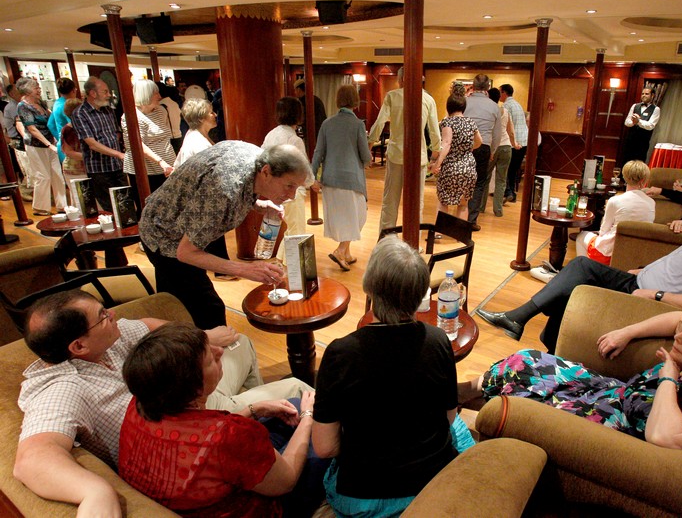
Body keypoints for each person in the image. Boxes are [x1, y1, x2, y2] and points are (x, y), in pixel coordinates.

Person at [14, 289, 313, 517]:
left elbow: (145, 325)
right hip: (196, 424)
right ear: (78, 345)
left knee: (241, 343)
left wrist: (201, 342)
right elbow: (32, 458)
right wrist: (95, 491)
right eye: (103, 315)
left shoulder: (110, 347)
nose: (113, 315)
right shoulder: (61, 388)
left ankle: (257, 420)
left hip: (194, 411)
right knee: (298, 392)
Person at [477, 179, 682, 351]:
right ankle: (535, 333)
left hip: (649, 299)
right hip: (642, 282)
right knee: (577, 275)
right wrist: (646, 272)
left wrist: (656, 294)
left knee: (579, 273)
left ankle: (523, 322)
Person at [461, 298, 682, 450]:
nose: (679, 336)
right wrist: (628, 332)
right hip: (608, 392)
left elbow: (666, 437)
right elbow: (679, 318)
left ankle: (454, 397)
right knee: (526, 360)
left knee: (522, 400)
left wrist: (669, 377)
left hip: (607, 425)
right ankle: (459, 393)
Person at [312, 238, 475, 516]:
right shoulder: (438, 341)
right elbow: (449, 418)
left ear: (369, 286)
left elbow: (325, 447)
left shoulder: (340, 353)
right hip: (431, 485)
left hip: (363, 496)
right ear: (421, 293)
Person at [119, 323, 324, 517]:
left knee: (293, 407)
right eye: (210, 360)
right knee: (322, 434)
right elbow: (286, 481)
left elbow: (207, 451)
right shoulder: (228, 435)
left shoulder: (139, 405)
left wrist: (254, 409)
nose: (220, 352)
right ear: (195, 388)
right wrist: (309, 415)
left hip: (201, 494)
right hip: (262, 509)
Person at [139, 142, 313, 328]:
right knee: (206, 311)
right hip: (163, 236)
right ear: (266, 172)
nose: (292, 195)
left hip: (173, 226)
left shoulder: (257, 158)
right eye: (289, 186)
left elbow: (233, 189)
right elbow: (186, 252)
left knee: (176, 305)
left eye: (296, 187)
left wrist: (259, 205)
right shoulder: (224, 189)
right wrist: (245, 269)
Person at [368, 67, 441, 230]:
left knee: (390, 201)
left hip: (396, 155)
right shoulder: (428, 99)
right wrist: (436, 153)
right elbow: (435, 131)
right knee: (416, 203)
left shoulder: (392, 96)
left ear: (400, 80)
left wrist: (370, 144)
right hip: (418, 157)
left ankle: (386, 237)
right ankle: (413, 239)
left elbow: (380, 123)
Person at [174, 98, 236, 281]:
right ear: (201, 117)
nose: (214, 115)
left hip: (199, 194)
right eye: (210, 112)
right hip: (199, 195)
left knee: (212, 231)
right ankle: (221, 269)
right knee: (211, 230)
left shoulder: (195, 136)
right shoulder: (197, 142)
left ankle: (221, 268)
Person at [311, 84, 372, 271]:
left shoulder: (327, 124)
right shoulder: (358, 124)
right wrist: (368, 159)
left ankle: (346, 253)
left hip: (329, 180)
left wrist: (312, 177)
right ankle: (340, 250)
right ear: (355, 101)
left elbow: (318, 152)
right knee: (358, 217)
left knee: (345, 217)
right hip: (351, 180)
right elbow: (366, 156)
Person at [574, 160, 656, 265]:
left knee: (581, 236)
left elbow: (603, 230)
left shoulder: (615, 201)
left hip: (610, 253)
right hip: (637, 254)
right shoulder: (651, 203)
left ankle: (584, 270)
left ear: (625, 177)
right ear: (644, 180)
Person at [261, 96, 310, 261]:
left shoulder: (271, 134)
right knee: (297, 231)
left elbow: (262, 158)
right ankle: (294, 269)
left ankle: (282, 262)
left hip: (273, 190)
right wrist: (313, 183)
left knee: (291, 229)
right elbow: (303, 169)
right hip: (291, 191)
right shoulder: (294, 139)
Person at [71, 76, 128, 211]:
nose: (109, 95)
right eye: (105, 92)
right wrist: (118, 154)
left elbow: (116, 132)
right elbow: (91, 143)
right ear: (93, 93)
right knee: (109, 207)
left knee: (125, 203)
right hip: (99, 168)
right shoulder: (80, 113)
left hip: (117, 165)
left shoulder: (108, 110)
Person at [121, 79, 176, 214]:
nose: (159, 96)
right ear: (146, 95)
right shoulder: (131, 116)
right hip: (146, 170)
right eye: (155, 93)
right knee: (150, 208)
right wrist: (160, 162)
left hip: (166, 167)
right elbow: (138, 145)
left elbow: (165, 136)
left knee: (169, 206)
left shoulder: (161, 110)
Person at [15, 77, 67, 216]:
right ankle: (40, 207)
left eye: (38, 87)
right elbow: (32, 129)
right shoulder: (23, 106)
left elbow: (51, 118)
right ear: (27, 90)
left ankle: (62, 206)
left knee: (57, 174)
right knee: (42, 176)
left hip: (51, 143)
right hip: (35, 145)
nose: (39, 90)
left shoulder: (40, 103)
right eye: (36, 88)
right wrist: (49, 144)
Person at [429, 86, 481, 221]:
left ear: (448, 107)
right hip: (468, 168)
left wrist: (436, 164)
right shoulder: (470, 122)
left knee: (443, 201)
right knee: (463, 204)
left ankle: (441, 231)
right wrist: (468, 149)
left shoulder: (447, 122)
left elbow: (446, 143)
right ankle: (459, 232)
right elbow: (479, 141)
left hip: (450, 168)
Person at [464, 74, 502, 231]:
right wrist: (492, 150)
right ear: (487, 87)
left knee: (462, 181)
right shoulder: (494, 106)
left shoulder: (464, 102)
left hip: (464, 146)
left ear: (473, 86)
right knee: (479, 183)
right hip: (484, 147)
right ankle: (471, 220)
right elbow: (497, 134)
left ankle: (458, 216)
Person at [483, 87, 516, 217]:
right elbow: (511, 131)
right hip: (506, 147)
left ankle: (481, 207)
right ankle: (498, 210)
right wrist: (514, 144)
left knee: (486, 177)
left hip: (493, 147)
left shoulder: (488, 111)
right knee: (501, 180)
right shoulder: (505, 111)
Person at [499, 83, 531, 204]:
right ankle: (512, 193)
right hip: (524, 141)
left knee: (506, 168)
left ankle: (508, 192)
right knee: (513, 169)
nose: (499, 95)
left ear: (504, 93)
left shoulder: (506, 106)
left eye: (500, 92)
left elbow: (508, 128)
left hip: (514, 142)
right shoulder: (517, 104)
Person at [620, 86, 660, 164]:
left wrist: (638, 121)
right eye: (642, 94)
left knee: (639, 162)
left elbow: (651, 126)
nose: (644, 95)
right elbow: (627, 122)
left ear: (652, 95)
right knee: (627, 161)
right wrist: (633, 122)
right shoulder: (635, 106)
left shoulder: (656, 109)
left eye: (646, 94)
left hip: (643, 141)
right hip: (630, 139)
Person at [59, 98, 87, 201]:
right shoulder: (68, 129)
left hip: (85, 169)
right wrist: (89, 157)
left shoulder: (85, 127)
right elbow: (69, 152)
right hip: (75, 170)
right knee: (81, 201)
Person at [46, 77, 77, 163]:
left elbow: (50, 124)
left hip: (62, 144)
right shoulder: (68, 106)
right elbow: (75, 125)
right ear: (73, 90)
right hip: (72, 146)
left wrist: (60, 137)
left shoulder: (57, 103)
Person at [293, 78, 327, 148]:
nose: (295, 92)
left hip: (311, 133)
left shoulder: (302, 102)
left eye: (295, 90)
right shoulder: (316, 99)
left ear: (299, 89)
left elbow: (302, 120)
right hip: (321, 131)